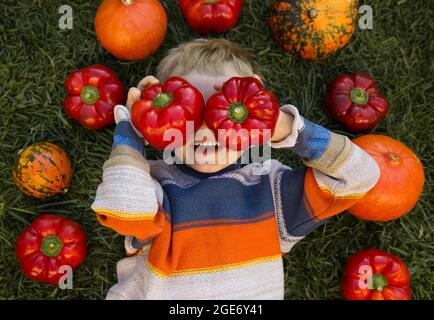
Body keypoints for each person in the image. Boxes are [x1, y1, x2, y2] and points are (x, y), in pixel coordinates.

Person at [92, 38, 380, 299]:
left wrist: (284, 126)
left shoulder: (270, 190)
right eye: (186, 114)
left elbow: (359, 176)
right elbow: (124, 207)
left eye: (224, 113)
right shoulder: (151, 183)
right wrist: (131, 130)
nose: (205, 130)